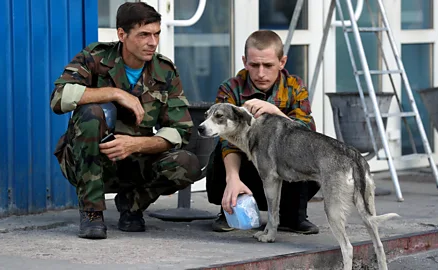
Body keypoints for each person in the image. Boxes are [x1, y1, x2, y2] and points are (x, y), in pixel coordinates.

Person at [50, 2, 201, 239]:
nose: (153, 42)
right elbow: (59, 98)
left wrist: (135, 144)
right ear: (122, 34)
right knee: (90, 113)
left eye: (156, 34)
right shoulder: (95, 57)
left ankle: (131, 206)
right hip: (91, 160)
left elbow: (180, 130)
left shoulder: (164, 70)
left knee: (187, 163)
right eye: (144, 35)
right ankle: (92, 212)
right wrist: (116, 93)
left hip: (135, 160)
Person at [205, 30, 321, 234]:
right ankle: (230, 208)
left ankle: (293, 215)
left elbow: (307, 134)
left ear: (282, 62)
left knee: (311, 152)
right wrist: (232, 178)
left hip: (286, 168)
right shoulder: (230, 88)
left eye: (268, 65)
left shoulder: (295, 87)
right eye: (254, 65)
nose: (260, 73)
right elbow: (225, 141)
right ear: (244, 61)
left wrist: (275, 112)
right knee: (221, 152)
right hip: (246, 169)